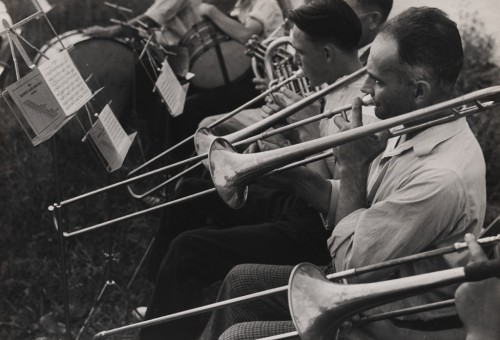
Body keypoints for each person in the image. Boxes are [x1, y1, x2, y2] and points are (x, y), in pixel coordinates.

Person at [198, 6, 487, 340]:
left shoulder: (440, 177)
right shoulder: (412, 122)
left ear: (419, 91)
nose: (363, 89)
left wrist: (351, 166)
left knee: (239, 337)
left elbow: (351, 270)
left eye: (377, 81)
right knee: (241, 281)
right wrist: (298, 179)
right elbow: (367, 207)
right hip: (367, 292)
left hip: (392, 321)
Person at [138, 1, 373, 339]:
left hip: (315, 230)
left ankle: (168, 320)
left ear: (327, 53)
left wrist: (301, 133)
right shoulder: (332, 83)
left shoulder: (358, 106)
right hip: (296, 202)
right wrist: (288, 133)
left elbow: (334, 194)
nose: (295, 61)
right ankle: (163, 305)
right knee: (190, 192)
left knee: (189, 249)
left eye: (301, 53)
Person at [197, 0, 393, 137]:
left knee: (208, 124)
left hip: (318, 127)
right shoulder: (343, 59)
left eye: (342, 5)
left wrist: (306, 123)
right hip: (313, 118)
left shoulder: (373, 71)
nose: (332, 7)